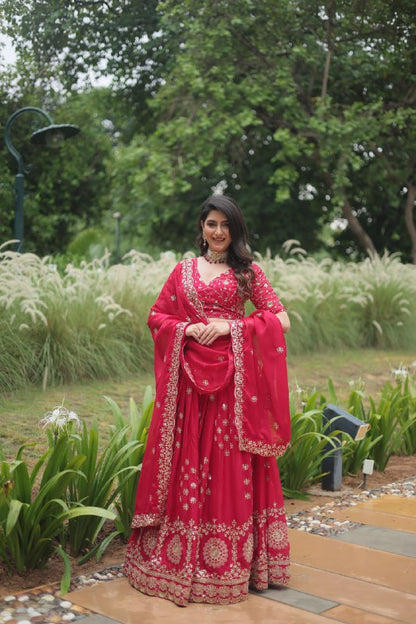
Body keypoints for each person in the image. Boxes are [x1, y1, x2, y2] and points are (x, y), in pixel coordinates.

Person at [123, 194, 291, 606]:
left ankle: (231, 566)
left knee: (228, 467)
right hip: (188, 388)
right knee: (189, 463)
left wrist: (228, 327)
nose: (218, 232)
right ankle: (180, 557)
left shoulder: (247, 273)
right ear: (201, 227)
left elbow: (280, 318)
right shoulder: (182, 271)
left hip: (234, 389)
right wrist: (184, 330)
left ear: (236, 230)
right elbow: (157, 317)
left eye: (226, 225)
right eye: (211, 224)